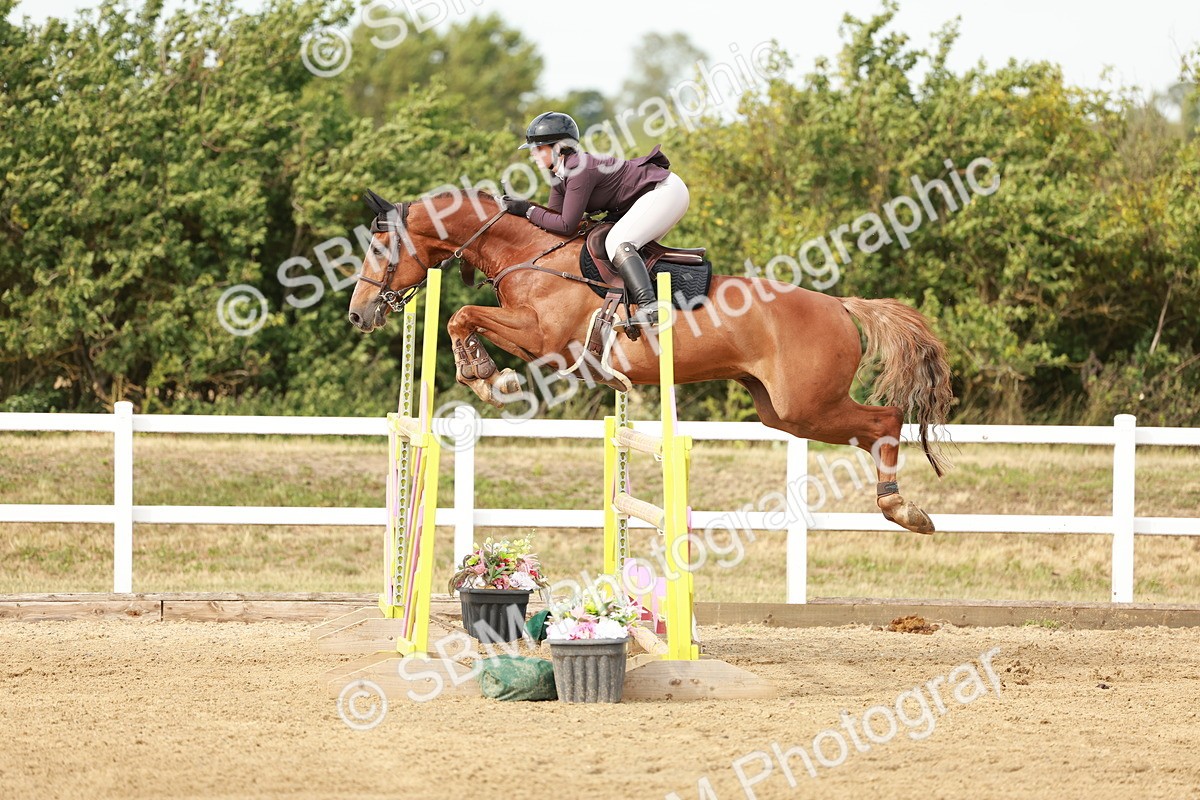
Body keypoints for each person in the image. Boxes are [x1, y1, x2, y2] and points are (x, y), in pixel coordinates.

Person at [503, 111, 690, 325]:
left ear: (557, 148)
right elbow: (554, 221)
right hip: (650, 196)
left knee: (617, 242)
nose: (533, 155)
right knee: (617, 243)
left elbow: (565, 225)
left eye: (538, 149)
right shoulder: (559, 174)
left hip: (665, 191)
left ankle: (650, 307)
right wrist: (522, 212)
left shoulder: (580, 169)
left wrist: (527, 210)